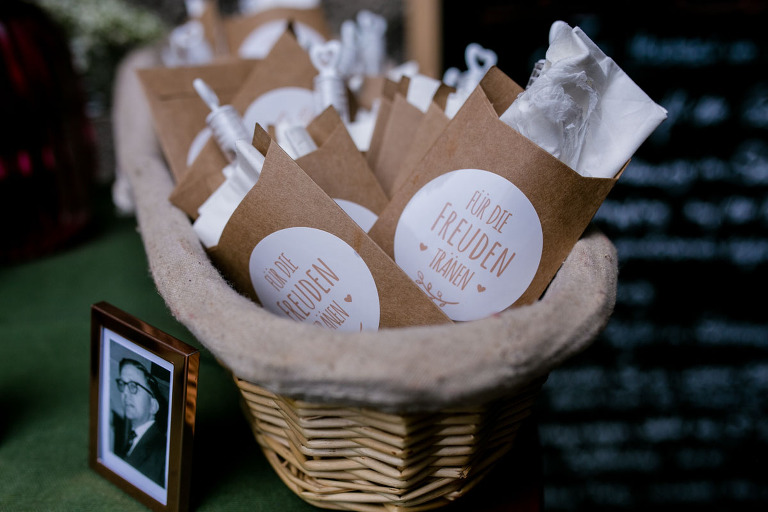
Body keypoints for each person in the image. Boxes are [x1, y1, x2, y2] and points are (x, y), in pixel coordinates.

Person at [114, 358, 167, 487]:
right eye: (122, 384)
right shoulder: (129, 438)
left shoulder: (164, 452)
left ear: (153, 406)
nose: (125, 394)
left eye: (133, 386)